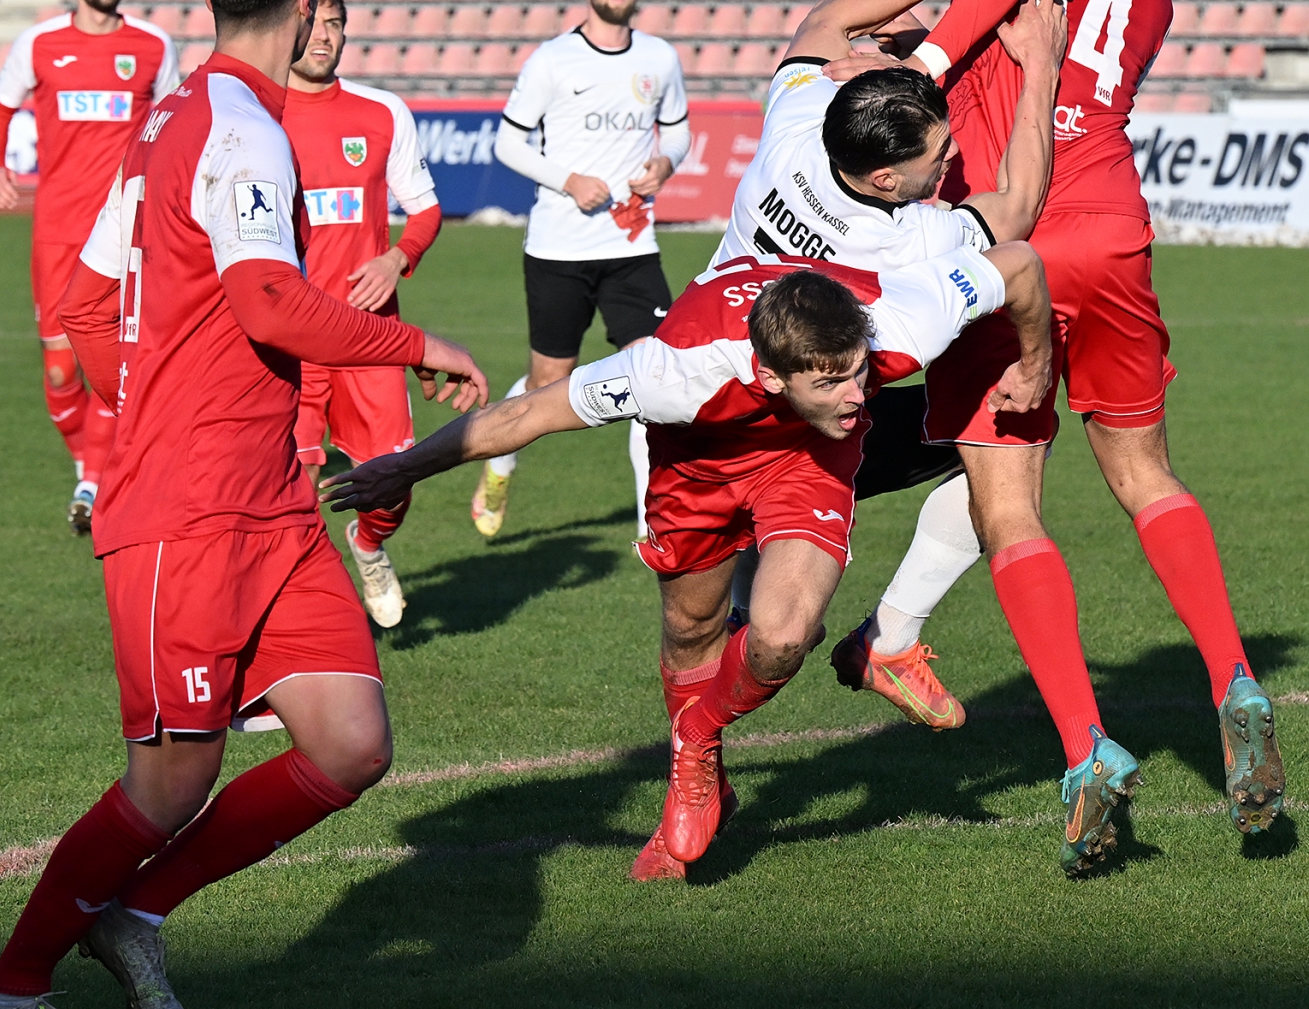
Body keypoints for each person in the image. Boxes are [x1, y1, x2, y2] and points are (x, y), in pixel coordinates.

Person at [0, 0, 490, 1009]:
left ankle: (137, 914)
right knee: (170, 781)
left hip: (273, 504)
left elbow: (89, 300)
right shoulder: (241, 129)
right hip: (189, 511)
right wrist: (417, 340)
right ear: (304, 6)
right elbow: (266, 301)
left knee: (349, 742)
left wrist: (147, 396)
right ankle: (10, 987)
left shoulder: (169, 117)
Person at [329, 242, 1051, 880]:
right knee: (691, 629)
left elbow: (1020, 264)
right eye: (832, 383)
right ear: (771, 376)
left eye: (861, 373)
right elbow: (526, 413)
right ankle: (703, 774)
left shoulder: (899, 321)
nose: (859, 395)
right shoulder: (670, 371)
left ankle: (694, 743)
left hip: (807, 461)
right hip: (696, 471)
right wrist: (402, 469)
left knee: (781, 637)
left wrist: (1036, 361)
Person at [836, 0, 1286, 848]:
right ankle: (1234, 675)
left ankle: (1086, 745)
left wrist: (920, 64)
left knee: (1008, 506)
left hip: (1008, 235)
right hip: (1114, 226)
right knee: (1147, 474)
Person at [707, 0, 1065, 735]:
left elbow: (826, 20)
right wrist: (1040, 67)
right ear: (883, 179)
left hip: (714, 408)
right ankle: (887, 637)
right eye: (936, 155)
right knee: (1006, 443)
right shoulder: (908, 243)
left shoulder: (797, 128)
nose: (952, 157)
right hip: (803, 438)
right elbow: (1018, 207)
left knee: (742, 628)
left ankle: (749, 601)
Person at [479, 0, 691, 542]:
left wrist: (666, 163)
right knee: (548, 383)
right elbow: (508, 143)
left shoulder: (659, 58)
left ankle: (652, 524)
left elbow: (677, 132)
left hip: (632, 248)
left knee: (654, 378)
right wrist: (568, 180)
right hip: (559, 249)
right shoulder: (552, 61)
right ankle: (499, 466)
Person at [0, 0, 180, 534]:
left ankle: (94, 484)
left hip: (130, 236)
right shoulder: (39, 44)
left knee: (115, 363)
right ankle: (86, 464)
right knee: (60, 372)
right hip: (59, 232)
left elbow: (174, 125)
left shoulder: (153, 46)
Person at [283, 0, 443, 628]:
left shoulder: (381, 112)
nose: (325, 36)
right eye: (315, 23)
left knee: (392, 482)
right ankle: (307, 619)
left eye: (336, 24)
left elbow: (424, 210)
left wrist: (395, 258)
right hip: (289, 337)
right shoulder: (259, 113)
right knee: (290, 490)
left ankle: (369, 545)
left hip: (367, 334)